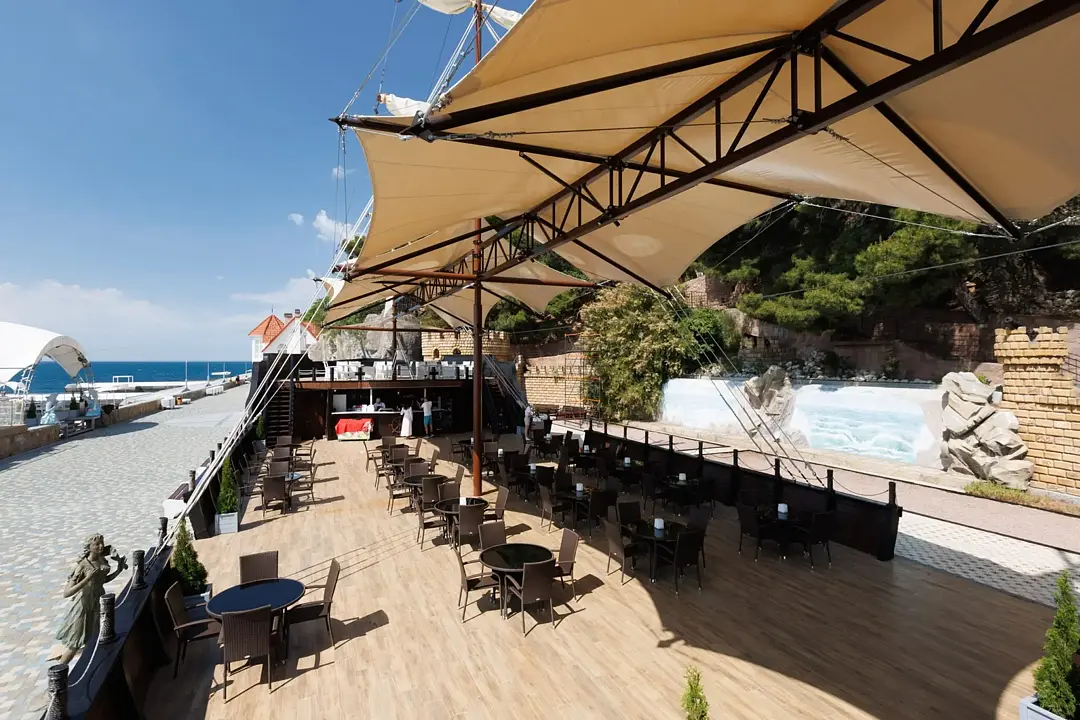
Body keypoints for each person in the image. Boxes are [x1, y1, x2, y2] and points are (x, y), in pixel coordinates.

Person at [54, 534, 128, 665]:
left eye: (102, 543)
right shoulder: (83, 565)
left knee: (98, 637)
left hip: (98, 602)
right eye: (96, 544)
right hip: (83, 605)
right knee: (75, 644)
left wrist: (119, 570)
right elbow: (67, 593)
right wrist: (87, 579)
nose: (101, 546)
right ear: (89, 547)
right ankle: (59, 671)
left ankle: (94, 665)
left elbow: (103, 580)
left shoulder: (102, 560)